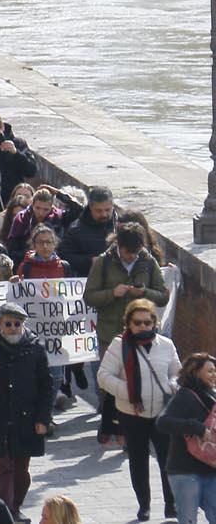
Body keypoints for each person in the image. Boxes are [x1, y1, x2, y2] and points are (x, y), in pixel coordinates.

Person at [0, 302, 55, 519]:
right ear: (0, 324)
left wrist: (44, 418)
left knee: (21, 472)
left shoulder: (34, 347)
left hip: (27, 419)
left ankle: (15, 506)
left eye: (17, 323)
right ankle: (7, 514)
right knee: (3, 468)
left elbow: (47, 385)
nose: (13, 327)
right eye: (8, 323)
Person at [88, 221, 170, 446]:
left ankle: (127, 427)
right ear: (118, 245)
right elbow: (90, 296)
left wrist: (144, 292)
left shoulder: (147, 262)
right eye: (127, 252)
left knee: (138, 378)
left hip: (142, 333)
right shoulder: (104, 262)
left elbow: (163, 296)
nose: (131, 257)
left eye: (135, 253)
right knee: (110, 382)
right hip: (111, 331)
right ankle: (108, 423)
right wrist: (112, 293)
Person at [99, 299, 180, 521]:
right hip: (131, 412)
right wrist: (128, 391)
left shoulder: (166, 345)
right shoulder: (119, 346)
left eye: (147, 322)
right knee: (138, 459)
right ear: (129, 323)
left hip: (162, 412)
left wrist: (171, 385)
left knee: (168, 459)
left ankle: (171, 504)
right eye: (138, 322)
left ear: (154, 322)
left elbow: (178, 373)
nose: (143, 326)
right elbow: (104, 377)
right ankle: (143, 505)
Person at [157, 353, 216, 524]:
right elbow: (163, 422)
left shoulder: (212, 395)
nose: (214, 374)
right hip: (185, 471)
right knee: (188, 519)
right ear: (195, 372)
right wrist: (196, 427)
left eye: (215, 371)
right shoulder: (185, 396)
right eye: (210, 371)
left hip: (210, 468)